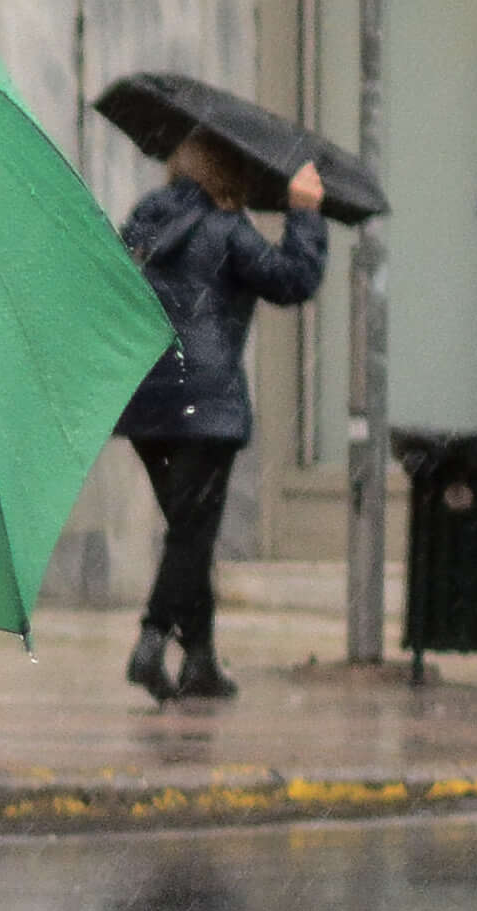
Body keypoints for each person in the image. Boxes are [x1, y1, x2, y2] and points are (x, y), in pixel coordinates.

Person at [109, 133, 326, 704]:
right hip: (205, 405)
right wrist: (304, 215)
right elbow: (293, 281)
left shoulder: (141, 228)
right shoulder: (227, 230)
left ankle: (200, 659)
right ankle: (152, 640)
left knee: (190, 532)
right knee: (191, 532)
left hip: (145, 403)